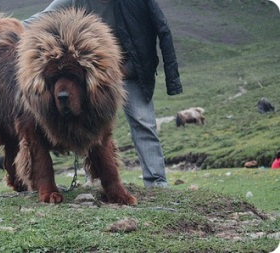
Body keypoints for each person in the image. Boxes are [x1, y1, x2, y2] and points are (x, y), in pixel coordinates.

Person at [24, 0, 183, 188]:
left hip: (131, 71)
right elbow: (42, 17)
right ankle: (94, 180)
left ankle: (157, 181)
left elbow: (163, 28)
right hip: (95, 76)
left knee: (144, 122)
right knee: (89, 126)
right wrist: (10, 28)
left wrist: (172, 80)